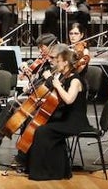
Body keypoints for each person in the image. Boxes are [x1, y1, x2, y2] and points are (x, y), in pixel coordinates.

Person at [25, 44, 91, 181]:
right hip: (64, 119)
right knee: (41, 128)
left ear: (66, 62)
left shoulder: (75, 80)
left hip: (75, 122)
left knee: (43, 131)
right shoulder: (65, 77)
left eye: (58, 61)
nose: (55, 64)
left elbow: (68, 100)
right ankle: (57, 169)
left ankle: (47, 172)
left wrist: (57, 85)